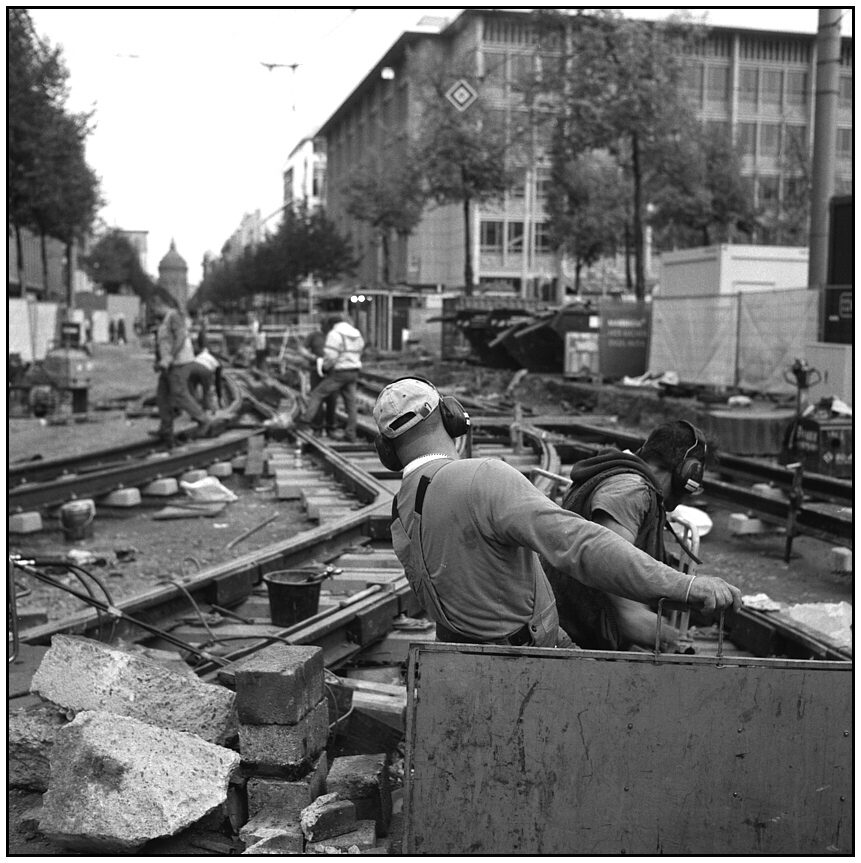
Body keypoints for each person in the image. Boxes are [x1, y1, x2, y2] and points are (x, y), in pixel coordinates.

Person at [372, 377, 742, 648]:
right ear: (453, 417)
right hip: (524, 657)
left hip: (462, 650)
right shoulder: (483, 478)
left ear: (387, 450)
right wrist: (687, 585)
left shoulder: (401, 508)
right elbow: (583, 546)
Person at [542, 421, 710, 653]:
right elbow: (607, 554)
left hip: (565, 620)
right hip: (571, 632)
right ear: (688, 472)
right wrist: (631, 614)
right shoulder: (631, 491)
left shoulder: (618, 476)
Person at [151, 294, 212, 446]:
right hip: (169, 365)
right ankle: (166, 429)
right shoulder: (164, 321)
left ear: (160, 304)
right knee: (163, 395)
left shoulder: (174, 317)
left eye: (153, 308)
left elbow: (180, 338)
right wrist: (159, 361)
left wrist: (169, 358)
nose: (152, 312)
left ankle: (203, 420)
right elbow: (164, 343)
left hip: (179, 364)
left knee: (179, 394)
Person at [297, 314, 364, 442]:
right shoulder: (355, 332)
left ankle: (304, 422)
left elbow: (331, 357)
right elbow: (360, 349)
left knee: (317, 394)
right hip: (354, 371)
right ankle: (351, 433)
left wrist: (325, 366)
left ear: (331, 324)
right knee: (351, 404)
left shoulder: (335, 334)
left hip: (339, 372)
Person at [299, 318, 337, 436]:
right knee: (317, 398)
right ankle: (317, 427)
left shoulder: (335, 336)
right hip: (316, 370)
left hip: (332, 371)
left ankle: (331, 427)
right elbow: (302, 348)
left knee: (332, 399)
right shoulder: (313, 336)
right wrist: (310, 357)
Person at [186, 347, 224, 413]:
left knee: (192, 391)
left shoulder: (203, 353)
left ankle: (193, 411)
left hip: (191, 368)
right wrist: (219, 397)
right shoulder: (218, 364)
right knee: (206, 391)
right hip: (205, 370)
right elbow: (217, 382)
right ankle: (207, 410)